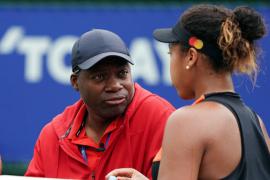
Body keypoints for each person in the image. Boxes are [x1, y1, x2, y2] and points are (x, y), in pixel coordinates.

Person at [106, 4, 270, 180]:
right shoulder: (256, 122)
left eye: (171, 53)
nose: (170, 62)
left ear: (191, 56)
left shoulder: (186, 121)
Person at [25, 29, 175, 179]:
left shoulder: (160, 118)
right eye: (100, 76)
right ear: (75, 82)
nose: (115, 85)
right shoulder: (52, 136)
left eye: (122, 73)